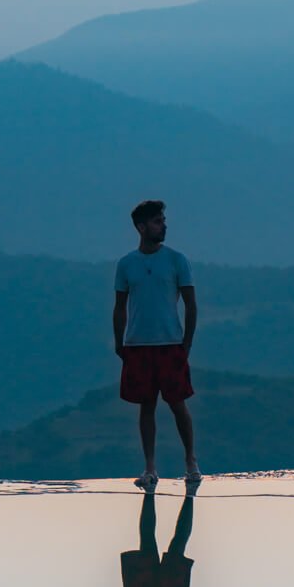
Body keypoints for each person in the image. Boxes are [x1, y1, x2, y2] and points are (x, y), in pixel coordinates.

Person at [113, 199, 200, 490]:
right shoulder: (126, 264)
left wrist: (186, 343)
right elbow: (120, 306)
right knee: (146, 406)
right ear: (141, 227)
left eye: (162, 220)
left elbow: (190, 304)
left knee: (178, 404)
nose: (163, 225)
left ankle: (191, 462)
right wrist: (119, 341)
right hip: (138, 345)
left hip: (170, 343)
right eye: (157, 221)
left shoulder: (177, 260)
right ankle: (150, 468)